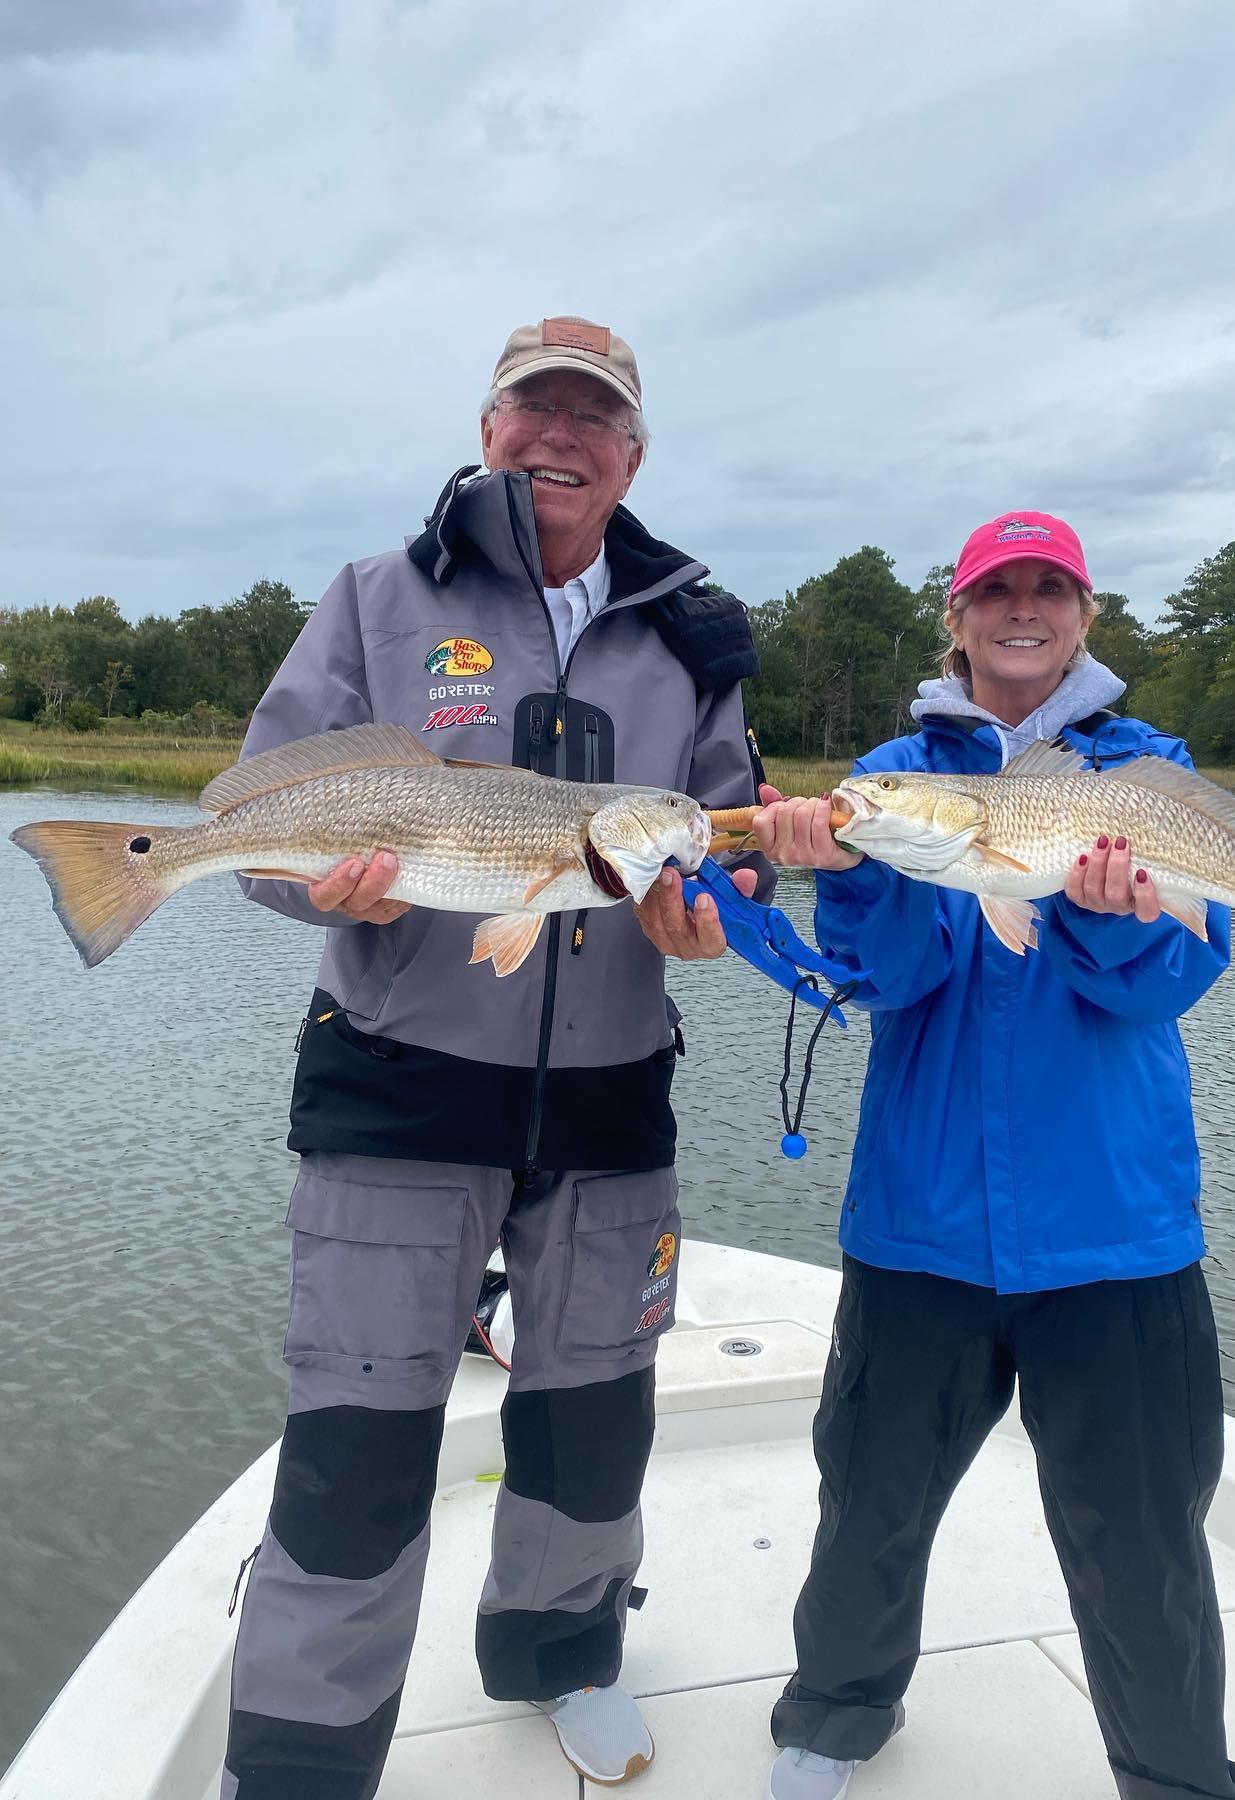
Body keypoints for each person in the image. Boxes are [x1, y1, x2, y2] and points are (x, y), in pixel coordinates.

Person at [221, 315, 775, 1797]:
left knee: (595, 1416)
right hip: (395, 1086)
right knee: (356, 1438)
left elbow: (721, 846)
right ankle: (295, 1758)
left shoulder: (693, 636)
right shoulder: (377, 597)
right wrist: (308, 879)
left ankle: (563, 1657)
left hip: (610, 1100)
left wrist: (715, 908)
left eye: (594, 416)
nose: (561, 436)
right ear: (488, 429)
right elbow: (259, 825)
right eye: (536, 406)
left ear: (633, 453)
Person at [750, 513, 1235, 1800]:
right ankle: (831, 1718)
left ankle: (1177, 1778)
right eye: (993, 589)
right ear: (953, 618)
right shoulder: (894, 773)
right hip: (922, 1216)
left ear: (1083, 613)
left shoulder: (1145, 777)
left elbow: (1168, 984)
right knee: (872, 1495)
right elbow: (883, 979)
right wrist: (843, 871)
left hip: (1113, 1225)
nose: (1021, 608)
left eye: (1046, 589)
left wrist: (1113, 922)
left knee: (1142, 1532)